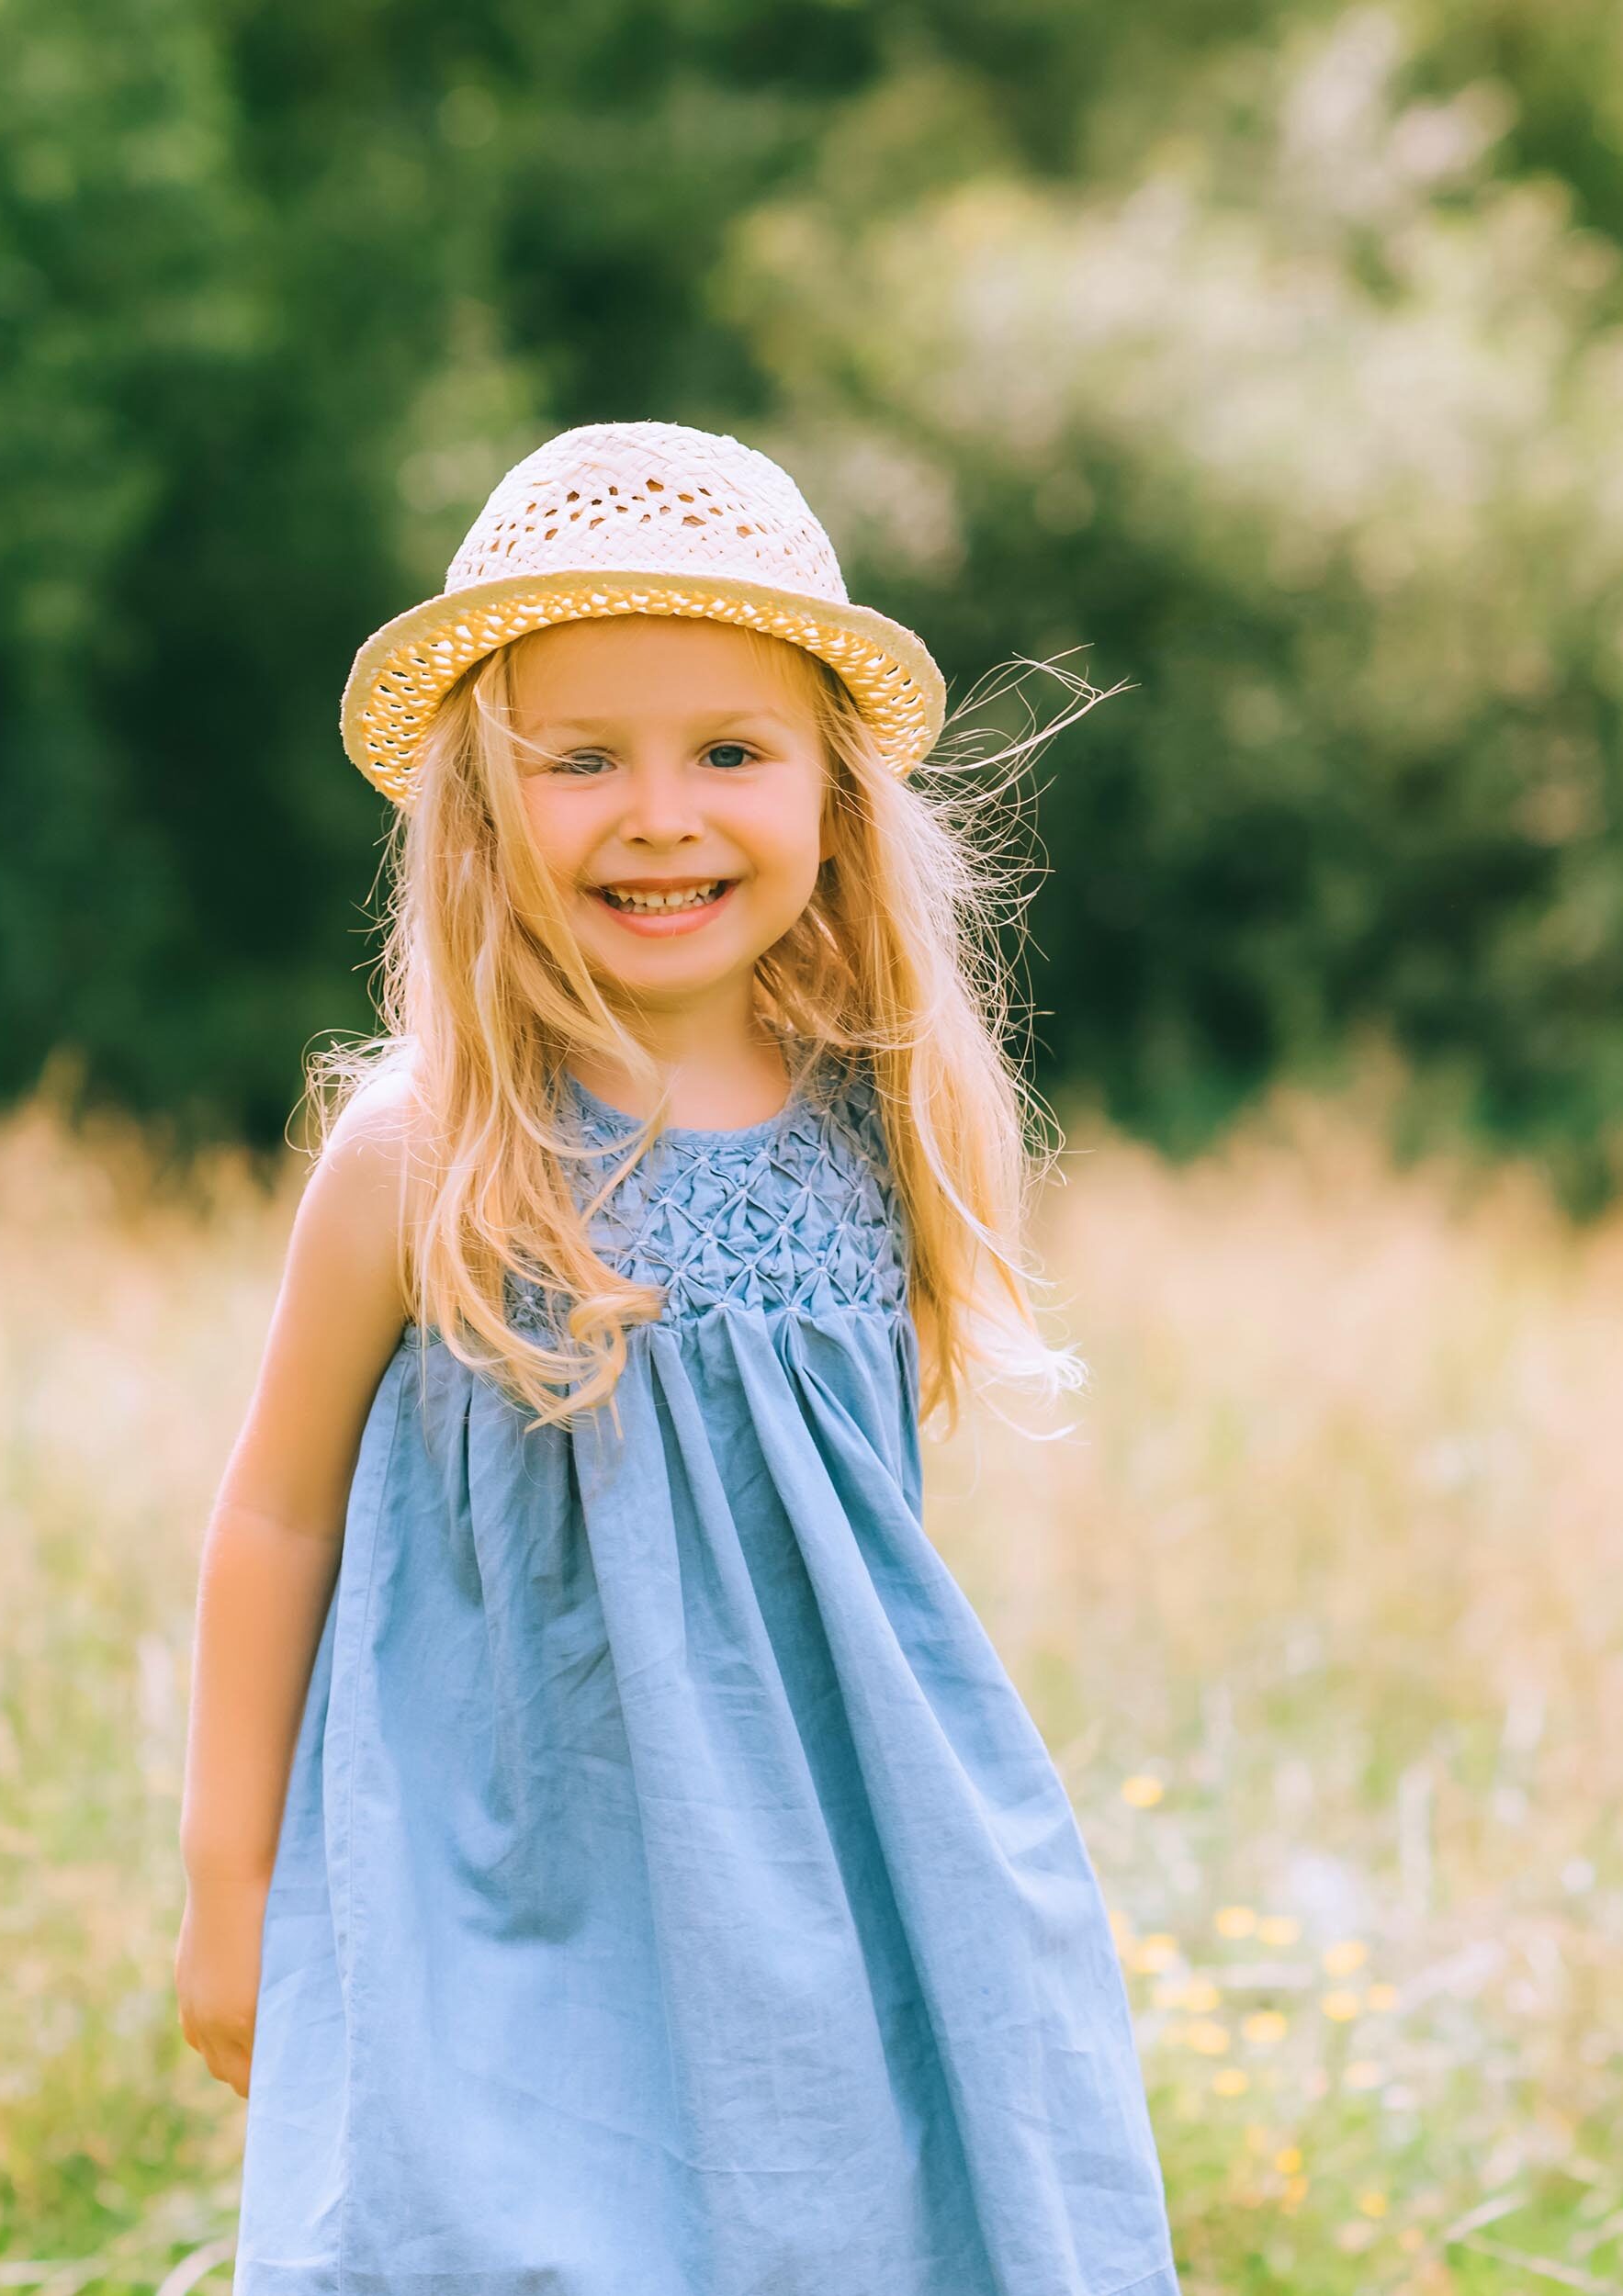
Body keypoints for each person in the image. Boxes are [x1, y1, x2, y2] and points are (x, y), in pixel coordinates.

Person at [175, 419, 1182, 2294]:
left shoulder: (877, 1117)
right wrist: (228, 1880)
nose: (660, 813)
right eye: (583, 760)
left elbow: (841, 1544)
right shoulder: (424, 1146)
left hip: (824, 1865)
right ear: (482, 800)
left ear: (830, 793)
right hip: (508, 1863)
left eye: (729, 750)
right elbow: (276, 1515)